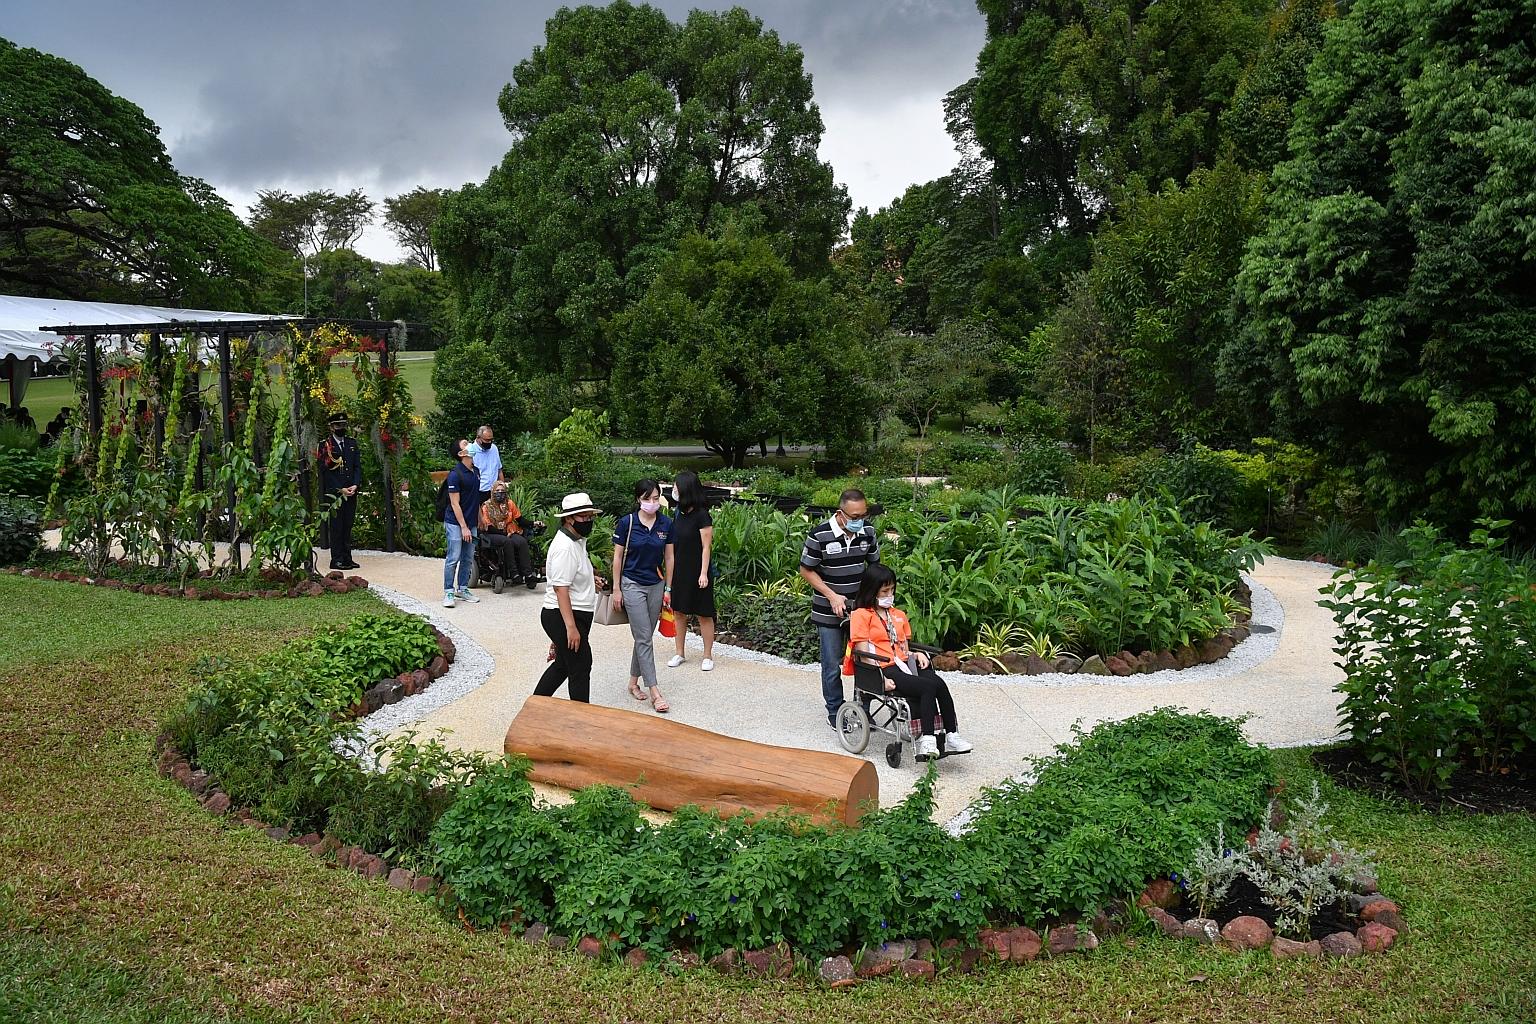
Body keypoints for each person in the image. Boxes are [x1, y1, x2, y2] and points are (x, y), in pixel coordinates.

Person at [849, 563, 973, 761]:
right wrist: (879, 679)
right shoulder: (861, 616)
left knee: (939, 684)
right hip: (884, 667)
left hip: (904, 663)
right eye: (884, 591)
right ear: (872, 591)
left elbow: (903, 647)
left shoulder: (898, 615)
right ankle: (928, 738)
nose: (889, 594)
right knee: (926, 687)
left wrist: (917, 654)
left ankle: (951, 734)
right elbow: (863, 654)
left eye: (892, 590)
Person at [799, 488, 880, 728]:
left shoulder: (868, 532)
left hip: (860, 611)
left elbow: (875, 567)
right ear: (840, 513)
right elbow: (806, 569)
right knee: (832, 663)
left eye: (863, 516)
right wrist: (832, 596)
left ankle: (862, 710)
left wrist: (876, 599)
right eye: (853, 517)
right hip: (828, 610)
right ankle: (835, 711)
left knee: (865, 662)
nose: (859, 521)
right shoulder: (820, 535)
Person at [611, 479, 675, 713]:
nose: (652, 503)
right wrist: (617, 588)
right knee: (644, 637)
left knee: (644, 636)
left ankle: (632, 682)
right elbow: (617, 557)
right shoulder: (627, 523)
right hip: (632, 584)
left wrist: (668, 588)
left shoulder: (666, 523)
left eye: (656, 498)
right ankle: (655, 691)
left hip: (656, 584)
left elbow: (669, 558)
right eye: (647, 499)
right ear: (638, 499)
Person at [535, 492, 605, 702]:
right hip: (564, 615)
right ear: (569, 518)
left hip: (575, 613)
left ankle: (536, 705)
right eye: (584, 517)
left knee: (564, 665)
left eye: (590, 516)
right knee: (581, 666)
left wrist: (592, 579)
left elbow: (573, 574)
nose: (588, 521)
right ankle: (580, 716)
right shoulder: (565, 547)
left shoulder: (576, 540)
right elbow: (560, 589)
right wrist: (570, 628)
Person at [665, 469, 717, 672]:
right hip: (680, 569)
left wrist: (703, 573)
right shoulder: (678, 513)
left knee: (704, 613)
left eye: (676, 486)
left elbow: (706, 546)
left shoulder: (702, 515)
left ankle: (707, 655)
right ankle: (679, 652)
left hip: (698, 570)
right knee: (679, 612)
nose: (674, 489)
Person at [442, 438, 483, 608]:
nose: (470, 445)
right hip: (455, 523)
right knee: (453, 557)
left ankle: (463, 588)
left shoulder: (476, 471)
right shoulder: (455, 475)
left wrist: (480, 518)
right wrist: (464, 527)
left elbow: (476, 498)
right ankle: (448, 592)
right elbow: (454, 503)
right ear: (461, 454)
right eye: (466, 444)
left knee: (467, 558)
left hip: (471, 522)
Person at [479, 482, 542, 590]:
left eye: (502, 491)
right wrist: (504, 534)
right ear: (493, 492)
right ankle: (514, 573)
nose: (500, 493)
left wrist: (534, 523)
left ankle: (528, 574)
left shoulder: (509, 504)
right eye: (497, 491)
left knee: (521, 541)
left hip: (509, 530)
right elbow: (488, 527)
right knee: (506, 541)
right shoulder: (486, 506)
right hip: (492, 533)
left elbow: (520, 520)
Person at [319, 412, 361, 571]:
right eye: (338, 425)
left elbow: (357, 467)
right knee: (337, 526)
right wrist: (340, 489)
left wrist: (355, 484)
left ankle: (347, 557)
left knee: (348, 525)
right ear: (331, 427)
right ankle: (336, 559)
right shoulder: (326, 446)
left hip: (351, 491)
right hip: (335, 493)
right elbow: (325, 472)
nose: (341, 428)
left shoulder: (351, 443)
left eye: (343, 425)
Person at [470, 424, 503, 505]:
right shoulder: (470, 451)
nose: (489, 442)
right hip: (478, 492)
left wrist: (502, 487)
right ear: (478, 438)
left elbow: (499, 470)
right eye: (486, 440)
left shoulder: (494, 448)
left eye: (491, 440)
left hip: (494, 492)